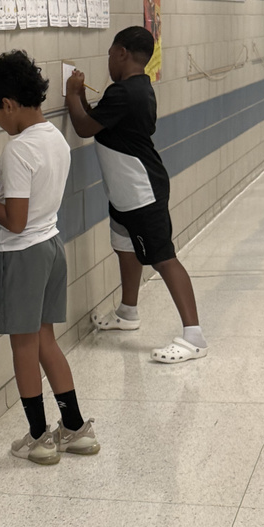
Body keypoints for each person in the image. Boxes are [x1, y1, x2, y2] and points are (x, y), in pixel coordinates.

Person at [0, 49, 99, 464]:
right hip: (51, 248)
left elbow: (14, 221)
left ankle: (39, 437)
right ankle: (75, 429)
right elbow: (30, 192)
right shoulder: (52, 137)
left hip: (20, 256)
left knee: (23, 348)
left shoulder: (17, 148)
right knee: (45, 341)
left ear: (8, 104)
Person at [65, 26, 208, 363]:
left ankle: (194, 336)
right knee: (124, 248)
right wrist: (83, 100)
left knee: (162, 257)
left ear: (121, 53)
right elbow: (98, 119)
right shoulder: (137, 88)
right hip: (124, 193)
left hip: (142, 192)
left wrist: (72, 94)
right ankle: (128, 312)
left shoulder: (124, 93)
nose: (109, 61)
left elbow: (85, 127)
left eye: (110, 54)